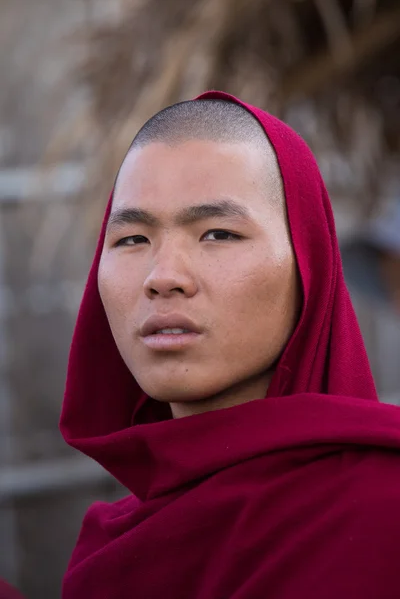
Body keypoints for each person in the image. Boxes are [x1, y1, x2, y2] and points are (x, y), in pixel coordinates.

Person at [60, 91, 400, 599]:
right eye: (132, 239)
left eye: (217, 233)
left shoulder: (380, 512)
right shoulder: (110, 547)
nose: (163, 277)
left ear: (310, 268)